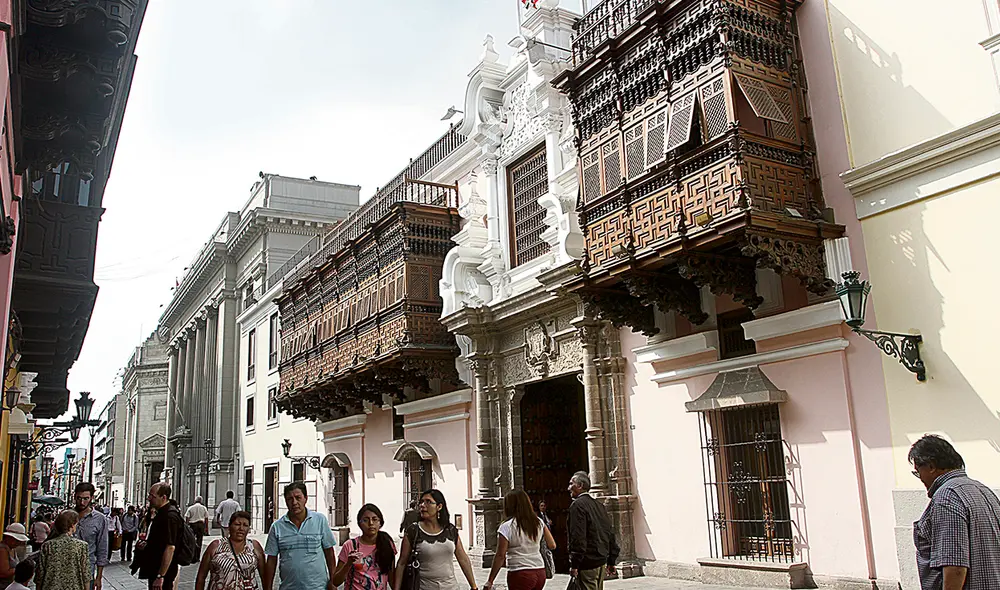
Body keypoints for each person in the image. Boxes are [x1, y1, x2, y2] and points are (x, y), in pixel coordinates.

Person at [909, 434, 1000, 590]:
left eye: (918, 472)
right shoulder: (983, 490)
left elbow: (955, 566)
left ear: (931, 467)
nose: (921, 478)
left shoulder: (946, 497)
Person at [393, 489, 478, 590]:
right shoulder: (413, 530)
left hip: (451, 586)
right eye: (421, 502)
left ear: (439, 507)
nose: (422, 505)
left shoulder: (450, 530)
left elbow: (463, 559)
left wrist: (474, 586)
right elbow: (402, 563)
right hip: (423, 587)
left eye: (428, 502)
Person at [262, 482, 337, 590]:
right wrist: (268, 587)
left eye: (298, 497)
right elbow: (271, 560)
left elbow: (329, 553)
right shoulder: (277, 527)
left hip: (317, 587)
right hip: (288, 587)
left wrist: (333, 580)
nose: (294, 502)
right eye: (289, 499)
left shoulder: (320, 520)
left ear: (305, 498)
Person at [484, 490, 557, 590]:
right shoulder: (538, 522)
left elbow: (500, 555)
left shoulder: (506, 527)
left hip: (519, 572)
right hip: (539, 570)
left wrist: (490, 580)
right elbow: (552, 545)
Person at [566, 472, 618, 590]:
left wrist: (575, 564)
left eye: (571, 484)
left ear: (580, 485)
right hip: (600, 562)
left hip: (587, 564)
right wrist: (611, 560)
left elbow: (578, 537)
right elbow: (609, 533)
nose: (568, 488)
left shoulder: (577, 506)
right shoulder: (599, 505)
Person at [331, 504, 396, 590]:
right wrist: (348, 564)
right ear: (359, 524)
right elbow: (336, 581)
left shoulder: (387, 544)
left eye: (375, 519)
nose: (371, 523)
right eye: (366, 520)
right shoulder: (350, 545)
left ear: (380, 523)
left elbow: (392, 577)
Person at [195, 510, 264, 590]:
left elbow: (264, 576)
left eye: (245, 525)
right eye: (237, 524)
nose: (241, 528)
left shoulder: (254, 547)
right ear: (229, 526)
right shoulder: (215, 546)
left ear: (249, 529)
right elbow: (201, 577)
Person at [137, 483, 185, 590]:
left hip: (163, 572)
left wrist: (160, 576)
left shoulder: (169, 516)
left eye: (152, 496)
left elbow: (170, 547)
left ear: (163, 497)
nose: (149, 498)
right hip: (155, 568)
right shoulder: (161, 513)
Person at [37, 510, 91, 590]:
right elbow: (86, 575)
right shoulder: (81, 546)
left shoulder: (47, 546)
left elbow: (40, 575)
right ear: (72, 525)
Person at [72, 482, 109, 590]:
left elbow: (102, 548)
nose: (82, 502)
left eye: (86, 498)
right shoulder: (66, 515)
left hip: (87, 571)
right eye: (79, 498)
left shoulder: (100, 519)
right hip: (66, 569)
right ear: (75, 496)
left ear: (92, 498)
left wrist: (99, 577)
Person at [0, 524, 28, 590]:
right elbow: (3, 573)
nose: (18, 543)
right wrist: (21, 568)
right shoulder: (2, 550)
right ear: (8, 537)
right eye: (16, 540)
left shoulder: (12, 549)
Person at [186, 496, 210, 560]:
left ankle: (192, 556)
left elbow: (187, 517)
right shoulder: (204, 508)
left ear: (195, 501)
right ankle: (198, 557)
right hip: (200, 525)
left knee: (192, 540)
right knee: (199, 541)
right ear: (201, 501)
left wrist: (187, 526)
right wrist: (206, 528)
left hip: (193, 525)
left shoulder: (190, 508)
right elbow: (206, 518)